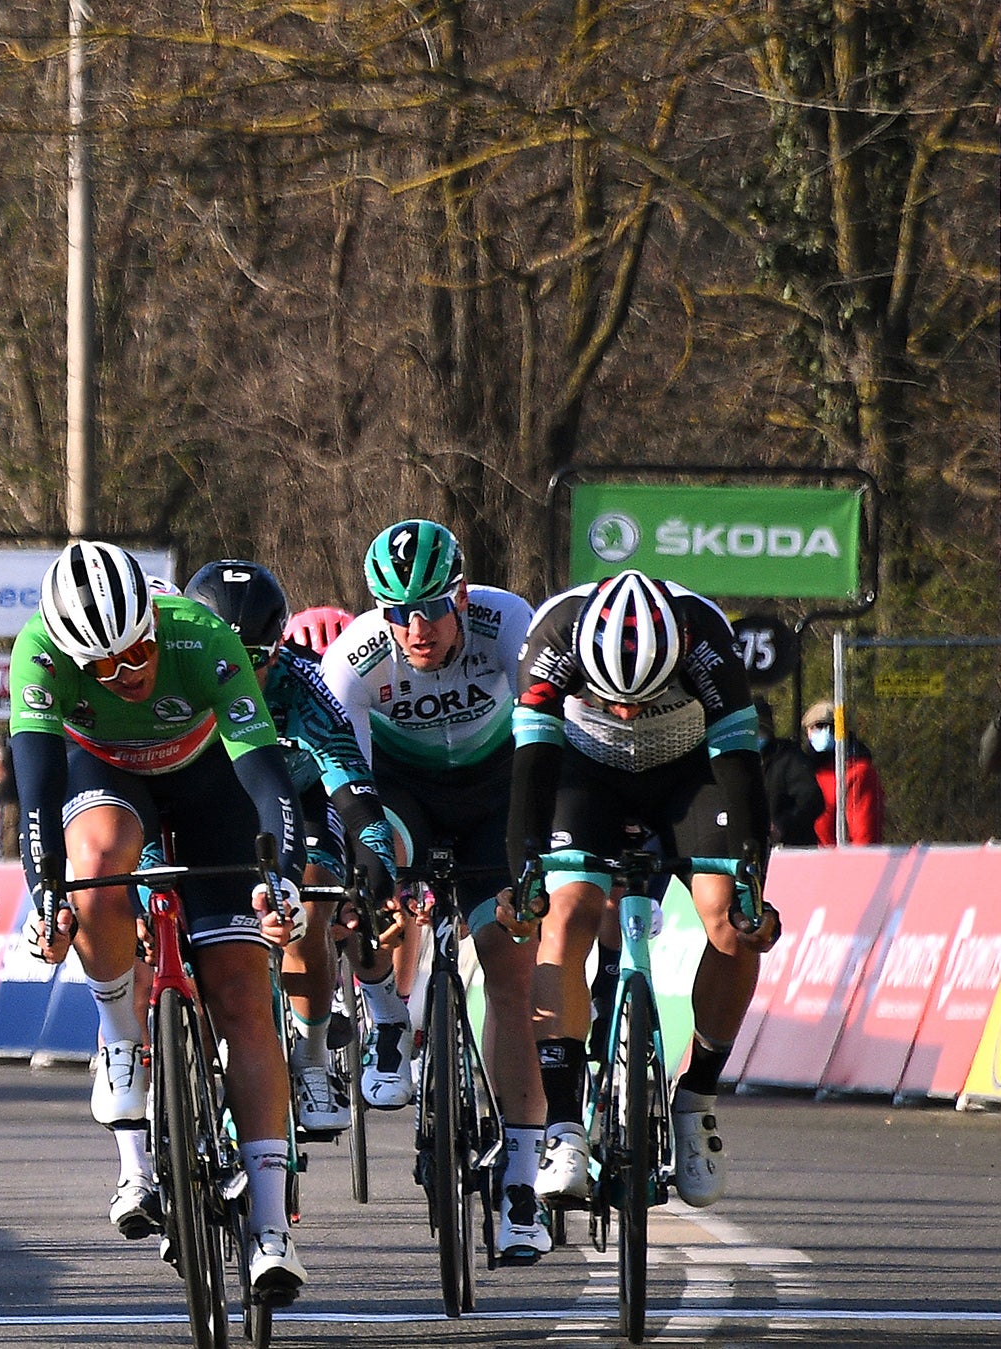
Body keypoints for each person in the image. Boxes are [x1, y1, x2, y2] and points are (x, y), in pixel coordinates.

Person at [10, 541, 309, 1298]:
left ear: (153, 613)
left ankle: (271, 1223)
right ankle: (119, 1032)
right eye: (103, 665)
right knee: (99, 860)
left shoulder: (198, 634)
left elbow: (265, 772)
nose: (128, 670)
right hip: (105, 772)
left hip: (211, 777)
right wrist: (49, 893)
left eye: (138, 647)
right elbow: (37, 793)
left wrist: (285, 873)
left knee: (241, 992)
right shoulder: (39, 656)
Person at [507, 569, 783, 1216]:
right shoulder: (552, 635)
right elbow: (531, 772)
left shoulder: (709, 638)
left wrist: (751, 885)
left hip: (689, 771)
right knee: (567, 913)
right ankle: (565, 1127)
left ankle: (697, 1101)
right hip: (584, 769)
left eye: (642, 696)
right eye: (614, 697)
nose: (628, 710)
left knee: (731, 924)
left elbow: (741, 772)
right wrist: (524, 874)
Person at [318, 520, 553, 1262]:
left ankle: (521, 1181)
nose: (414, 629)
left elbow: (545, 747)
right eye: (395, 612)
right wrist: (375, 860)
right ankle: (387, 1017)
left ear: (460, 593)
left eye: (429, 608)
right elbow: (344, 777)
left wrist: (533, 855)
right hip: (401, 793)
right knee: (366, 883)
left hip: (496, 794)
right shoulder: (353, 661)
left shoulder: (511, 624)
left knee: (509, 972)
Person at [183, 560, 399, 1143]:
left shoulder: (304, 685)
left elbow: (349, 775)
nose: (244, 672)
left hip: (296, 801)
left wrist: (374, 854)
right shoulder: (173, 677)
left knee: (309, 905)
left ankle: (308, 1060)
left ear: (280, 647)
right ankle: (181, 1074)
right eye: (229, 654)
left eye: (259, 657)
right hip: (206, 806)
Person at [798, 700, 886, 845]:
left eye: (829, 727)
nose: (823, 732)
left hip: (841, 862)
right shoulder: (806, 772)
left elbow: (865, 835)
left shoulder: (858, 772)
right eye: (816, 727)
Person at [756, 697, 821, 847]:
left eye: (758, 730)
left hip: (792, 850)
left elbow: (812, 799)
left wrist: (782, 826)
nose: (754, 736)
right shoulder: (742, 762)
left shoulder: (788, 758)